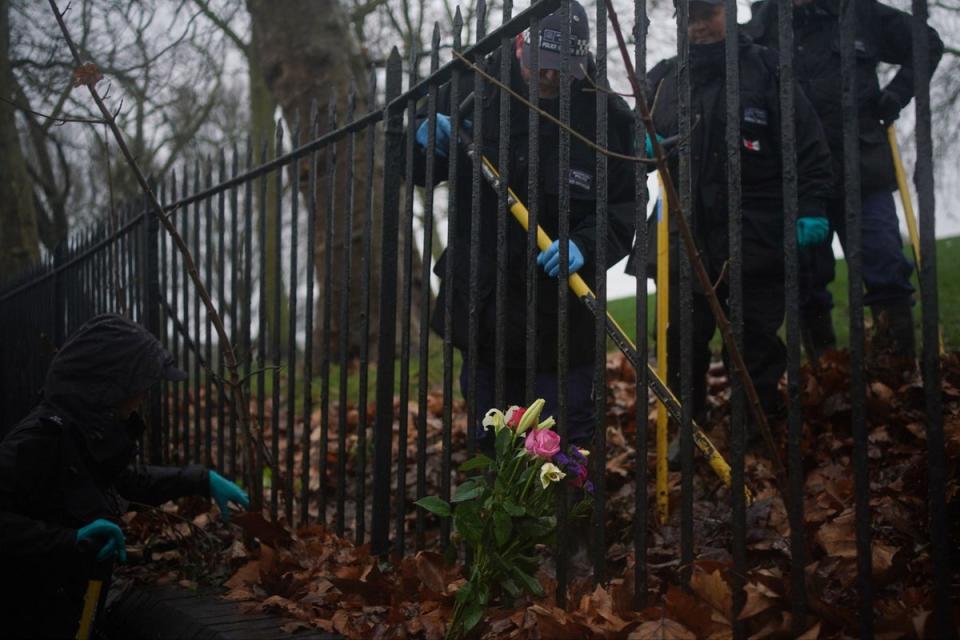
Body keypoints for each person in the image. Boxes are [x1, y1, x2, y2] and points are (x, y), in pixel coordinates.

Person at [413, 0, 637, 449]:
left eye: (563, 68)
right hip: (485, 306)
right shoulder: (471, 86)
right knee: (493, 440)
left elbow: (625, 203)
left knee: (566, 444)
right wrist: (425, 140)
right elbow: (407, 160)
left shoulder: (606, 116)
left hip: (563, 315)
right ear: (520, 44)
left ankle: (567, 519)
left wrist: (587, 244)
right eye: (543, 66)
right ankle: (495, 520)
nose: (552, 78)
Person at [629, 0, 833, 432]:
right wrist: (640, 149)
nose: (698, 26)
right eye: (689, 18)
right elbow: (628, 141)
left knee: (755, 341)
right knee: (681, 342)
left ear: (729, 11)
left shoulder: (768, 69)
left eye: (707, 15)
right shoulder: (664, 80)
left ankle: (757, 431)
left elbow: (810, 148)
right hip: (682, 239)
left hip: (755, 238)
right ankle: (689, 430)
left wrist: (811, 207)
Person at [0, 313, 249, 638]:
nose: (143, 397)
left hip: (72, 607)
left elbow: (128, 481)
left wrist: (200, 479)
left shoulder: (83, 435)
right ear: (108, 385)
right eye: (140, 387)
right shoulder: (39, 441)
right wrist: (68, 541)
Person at [747, 0, 944, 362]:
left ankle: (897, 374)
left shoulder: (859, 12)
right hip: (797, 184)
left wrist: (897, 95)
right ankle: (826, 377)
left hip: (863, 171)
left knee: (885, 265)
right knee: (806, 283)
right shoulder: (759, 28)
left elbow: (927, 43)